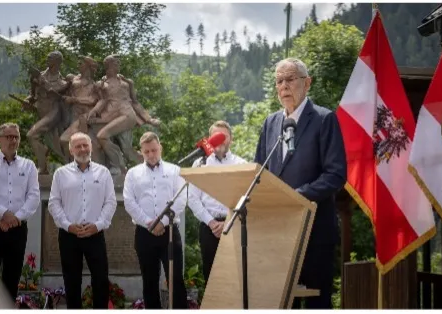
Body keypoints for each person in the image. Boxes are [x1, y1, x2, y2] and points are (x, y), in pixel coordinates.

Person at [254, 58, 347, 309]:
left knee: (317, 302)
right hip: (279, 231)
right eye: (279, 81)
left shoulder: (324, 119)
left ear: (307, 83)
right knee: (284, 302)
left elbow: (336, 174)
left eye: (290, 79)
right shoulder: (270, 123)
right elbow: (259, 172)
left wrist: (297, 196)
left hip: (315, 230)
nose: (284, 86)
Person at [48, 132, 117, 309]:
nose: (82, 149)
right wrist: (67, 225)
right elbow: (54, 203)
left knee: (101, 280)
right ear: (71, 149)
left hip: (95, 234)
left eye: (85, 145)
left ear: (91, 146)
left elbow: (110, 202)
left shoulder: (103, 173)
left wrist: (98, 225)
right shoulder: (60, 174)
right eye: (78, 146)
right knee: (72, 282)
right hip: (70, 235)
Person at [123, 132, 188, 309]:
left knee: (175, 279)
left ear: (160, 148)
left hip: (170, 233)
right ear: (141, 152)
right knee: (149, 280)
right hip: (144, 233)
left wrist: (163, 222)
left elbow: (181, 198)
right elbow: (129, 201)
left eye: (154, 150)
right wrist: (149, 223)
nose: (151, 155)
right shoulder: (132, 173)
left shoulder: (174, 170)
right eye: (146, 152)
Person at [187, 120, 246, 284]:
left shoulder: (241, 164)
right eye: (216, 136)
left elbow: (244, 198)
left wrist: (228, 221)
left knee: (235, 277)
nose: (220, 140)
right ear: (209, 139)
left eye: (224, 136)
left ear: (231, 140)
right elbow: (192, 198)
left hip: (233, 226)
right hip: (208, 227)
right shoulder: (199, 164)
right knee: (211, 277)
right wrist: (212, 223)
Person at [0, 123, 40, 303]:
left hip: (18, 229)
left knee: (12, 276)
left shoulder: (28, 166)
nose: (13, 140)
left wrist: (16, 218)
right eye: (9, 137)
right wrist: (3, 214)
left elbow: (34, 195)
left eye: (16, 137)